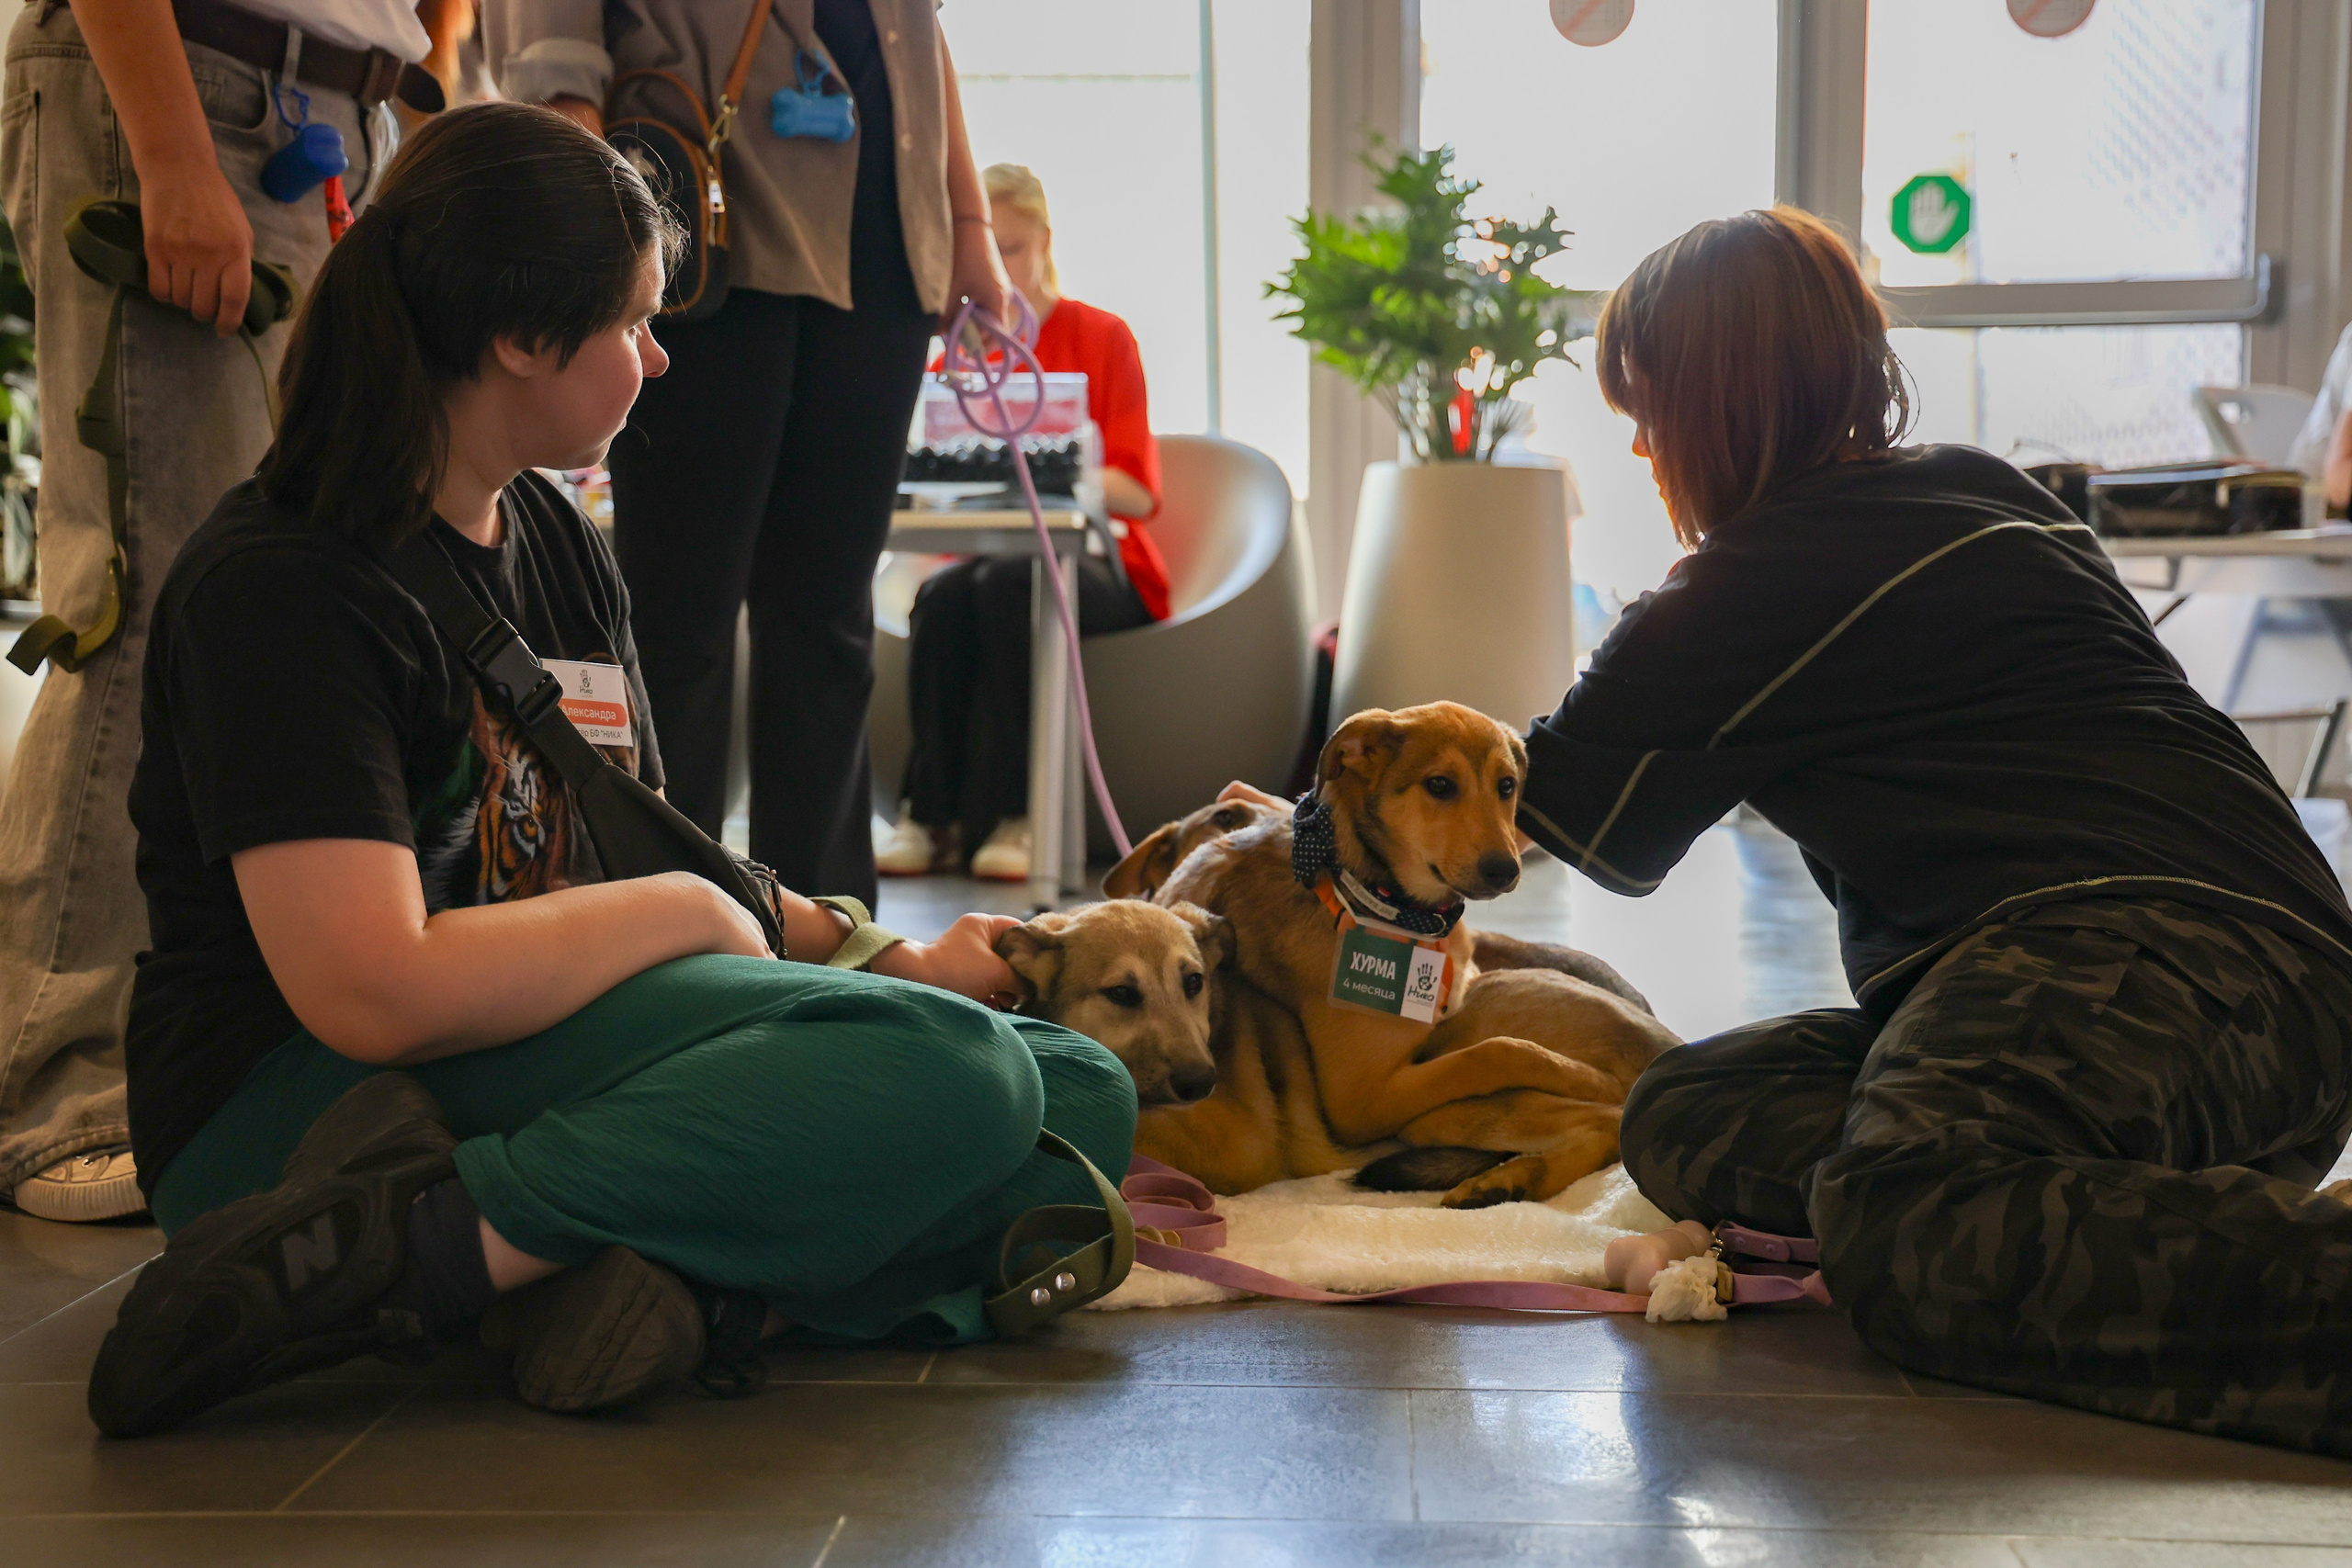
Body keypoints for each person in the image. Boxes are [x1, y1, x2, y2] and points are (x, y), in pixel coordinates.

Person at [87, 104, 1133, 1438]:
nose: (659, 356)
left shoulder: (546, 529)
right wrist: (701, 918)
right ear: (522, 339)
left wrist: (866, 952)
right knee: (971, 1086)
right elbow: (371, 987)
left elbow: (617, 827)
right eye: (636, 321)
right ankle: (414, 1250)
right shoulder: (286, 584)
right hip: (298, 1111)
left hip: (531, 1033)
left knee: (1080, 1091)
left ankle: (656, 1284)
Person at [1500, 205, 2352, 1458]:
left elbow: (1527, 801)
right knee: (1688, 1109)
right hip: (2289, 991)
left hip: (2129, 947)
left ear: (1712, 403)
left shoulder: (1742, 585)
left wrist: (1303, 826)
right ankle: (2150, 1213)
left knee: (1907, 1215)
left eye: (1649, 408)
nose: (1639, 449)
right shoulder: (1984, 485)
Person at [0, 0, 429, 1224]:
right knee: (149, 600)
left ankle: (221, 1053)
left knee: (307, 603)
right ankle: (56, 1080)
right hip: (193, 81)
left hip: (338, 111)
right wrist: (171, 149)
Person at [484, 0, 1014, 908]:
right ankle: (667, 919)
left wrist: (969, 227)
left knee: (831, 616)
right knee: (677, 620)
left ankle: (830, 924)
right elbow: (554, 43)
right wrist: (578, 217)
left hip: (884, 245)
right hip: (707, 225)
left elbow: (916, 33)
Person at [877, 163, 1167, 882]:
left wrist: (1048, 466)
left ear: (1045, 240)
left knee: (1014, 588)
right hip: (988, 562)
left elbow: (1134, 488)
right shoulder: (960, 358)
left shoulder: (1103, 337)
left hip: (1102, 569)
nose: (995, 268)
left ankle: (1023, 814)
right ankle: (929, 814)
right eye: (982, 250)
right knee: (941, 601)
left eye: (1010, 248)